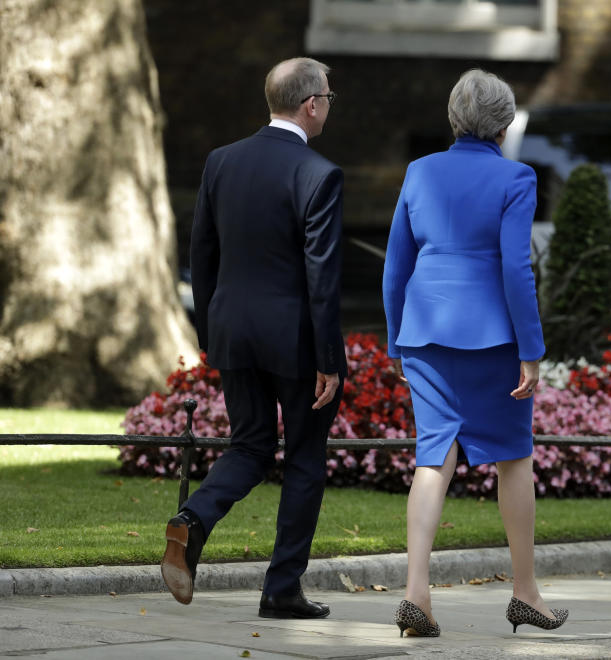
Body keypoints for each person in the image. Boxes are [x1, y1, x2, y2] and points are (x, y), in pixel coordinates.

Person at [382, 69, 569, 637]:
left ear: (452, 117)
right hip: (493, 340)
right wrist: (531, 349)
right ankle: (525, 592)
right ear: (505, 123)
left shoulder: (418, 171)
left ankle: (416, 593)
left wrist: (396, 338)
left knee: (432, 458)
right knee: (514, 457)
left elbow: (396, 265)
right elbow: (516, 268)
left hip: (425, 333)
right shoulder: (517, 178)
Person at [160, 57, 346, 620]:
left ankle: (190, 520)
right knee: (306, 458)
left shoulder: (221, 161)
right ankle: (281, 588)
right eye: (329, 96)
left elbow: (201, 254)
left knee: (249, 444)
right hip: (294, 341)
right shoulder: (320, 174)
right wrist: (329, 359)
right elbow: (322, 276)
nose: (329, 104)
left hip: (233, 329)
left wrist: (212, 333)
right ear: (310, 104)